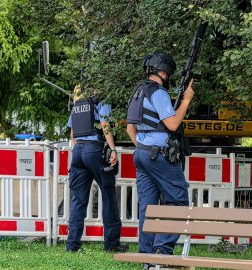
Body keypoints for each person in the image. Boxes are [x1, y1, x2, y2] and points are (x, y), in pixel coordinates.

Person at [126, 52, 194, 269]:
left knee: (148, 208)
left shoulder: (138, 93)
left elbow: (130, 129)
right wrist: (186, 100)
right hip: (158, 155)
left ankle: (147, 259)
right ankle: (162, 252)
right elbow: (173, 124)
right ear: (163, 72)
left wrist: (145, 148)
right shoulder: (159, 93)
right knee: (178, 201)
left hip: (141, 153)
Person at [66, 85, 128, 253]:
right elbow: (104, 124)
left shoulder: (77, 105)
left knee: (78, 200)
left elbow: (72, 134)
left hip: (78, 150)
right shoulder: (101, 101)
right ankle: (112, 244)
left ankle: (72, 245)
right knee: (108, 195)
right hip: (95, 149)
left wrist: (76, 153)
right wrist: (112, 148)